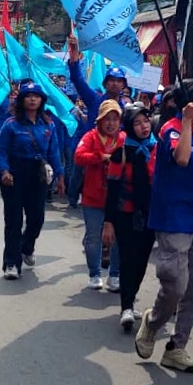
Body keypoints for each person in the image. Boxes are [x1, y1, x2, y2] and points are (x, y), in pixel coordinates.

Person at [134, 80, 193, 373]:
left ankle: (176, 347)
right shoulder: (172, 129)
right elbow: (181, 159)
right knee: (176, 285)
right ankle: (153, 321)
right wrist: (186, 122)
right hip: (173, 218)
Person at [0, 81, 64, 279]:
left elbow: (54, 152)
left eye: (36, 96)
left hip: (38, 176)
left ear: (42, 100)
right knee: (13, 221)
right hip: (14, 176)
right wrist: (4, 171)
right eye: (28, 96)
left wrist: (60, 176)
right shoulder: (11, 125)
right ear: (22, 100)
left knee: (36, 219)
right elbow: (0, 150)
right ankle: (11, 263)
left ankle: (27, 247)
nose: (33, 99)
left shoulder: (48, 125)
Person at [103, 103, 157, 331]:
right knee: (128, 259)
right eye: (137, 123)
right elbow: (112, 190)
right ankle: (126, 306)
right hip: (125, 215)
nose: (144, 126)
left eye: (146, 121)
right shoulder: (121, 154)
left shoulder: (157, 149)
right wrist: (108, 222)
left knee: (142, 261)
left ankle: (131, 297)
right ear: (129, 126)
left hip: (151, 215)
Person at [74, 100, 125, 291]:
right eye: (107, 119)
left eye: (115, 119)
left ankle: (115, 275)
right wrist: (100, 157)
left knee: (118, 237)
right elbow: (78, 156)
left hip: (117, 197)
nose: (111, 123)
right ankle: (94, 274)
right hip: (93, 196)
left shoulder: (124, 138)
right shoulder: (91, 136)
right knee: (94, 237)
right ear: (100, 121)